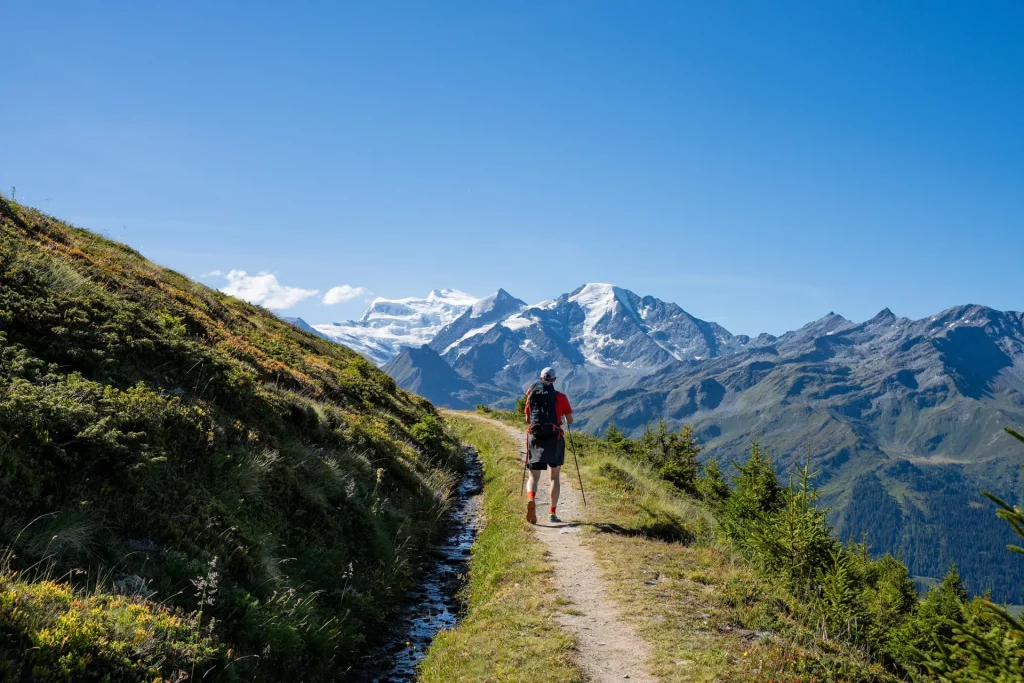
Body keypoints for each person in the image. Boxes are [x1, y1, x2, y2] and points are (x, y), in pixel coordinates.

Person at [523, 367, 573, 524]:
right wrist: (562, 418)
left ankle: (531, 499)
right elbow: (570, 420)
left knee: (533, 476)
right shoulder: (561, 397)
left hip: (536, 438)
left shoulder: (532, 395)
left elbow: (527, 419)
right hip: (554, 438)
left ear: (540, 379)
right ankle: (552, 513)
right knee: (554, 477)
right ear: (554, 380)